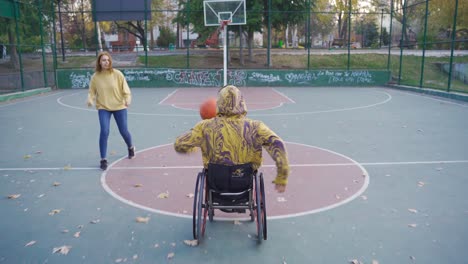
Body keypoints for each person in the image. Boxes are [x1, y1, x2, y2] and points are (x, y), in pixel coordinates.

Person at [174, 85, 289, 193]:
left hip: (216, 181)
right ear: (242, 102)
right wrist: (281, 177)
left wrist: (193, 148)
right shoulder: (255, 127)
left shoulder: (204, 126)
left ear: (219, 103)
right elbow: (278, 144)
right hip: (243, 181)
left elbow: (179, 144)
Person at [87, 51, 135, 170]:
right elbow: (92, 92)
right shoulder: (95, 77)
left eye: (108, 60)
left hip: (119, 106)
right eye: (103, 60)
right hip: (103, 107)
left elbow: (126, 90)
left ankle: (130, 147)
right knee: (104, 131)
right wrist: (90, 100)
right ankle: (103, 159)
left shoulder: (117, 74)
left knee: (124, 131)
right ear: (99, 62)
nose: (106, 62)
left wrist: (127, 99)